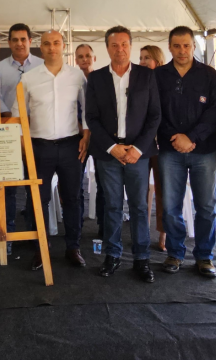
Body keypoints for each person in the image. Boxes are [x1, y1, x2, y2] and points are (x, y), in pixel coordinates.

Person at [85, 26, 160, 283]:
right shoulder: (95, 79)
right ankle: (112, 255)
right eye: (115, 45)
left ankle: (141, 258)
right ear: (107, 48)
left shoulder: (147, 77)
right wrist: (111, 147)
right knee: (113, 206)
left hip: (138, 153)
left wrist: (137, 148)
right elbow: (91, 118)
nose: (120, 49)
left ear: (131, 46)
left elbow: (154, 116)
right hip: (109, 153)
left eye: (125, 44)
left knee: (140, 207)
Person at [14, 30, 90, 270]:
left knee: (73, 198)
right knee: (38, 200)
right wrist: (23, 146)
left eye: (56, 43)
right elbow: (19, 115)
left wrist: (86, 134)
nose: (52, 47)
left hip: (71, 145)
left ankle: (73, 247)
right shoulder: (29, 77)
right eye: (46, 43)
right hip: (39, 147)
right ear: (40, 47)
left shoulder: (76, 75)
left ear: (63, 45)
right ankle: (40, 249)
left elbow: (87, 108)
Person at [154, 27, 216, 278]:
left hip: (203, 149)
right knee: (171, 206)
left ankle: (205, 256)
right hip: (170, 150)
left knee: (205, 206)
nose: (182, 51)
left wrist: (192, 138)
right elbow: (154, 112)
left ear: (194, 46)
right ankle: (175, 252)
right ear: (169, 47)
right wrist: (176, 138)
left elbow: (215, 112)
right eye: (176, 46)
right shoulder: (158, 76)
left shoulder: (210, 75)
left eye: (186, 45)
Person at [0, 23, 44, 250]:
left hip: (37, 133)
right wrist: (11, 117)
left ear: (30, 41)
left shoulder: (43, 66)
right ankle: (10, 234)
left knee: (34, 186)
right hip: (9, 132)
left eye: (23, 39)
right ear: (9, 42)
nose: (19, 43)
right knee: (10, 186)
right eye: (14, 39)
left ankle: (36, 233)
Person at [139, 45, 166, 251]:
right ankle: (142, 231)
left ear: (157, 59)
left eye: (147, 57)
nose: (143, 61)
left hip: (163, 144)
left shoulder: (165, 81)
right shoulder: (138, 81)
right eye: (140, 58)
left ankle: (163, 235)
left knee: (163, 191)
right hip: (142, 144)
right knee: (140, 190)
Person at [75, 43, 103, 237]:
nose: (84, 59)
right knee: (77, 183)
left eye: (88, 56)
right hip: (78, 138)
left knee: (104, 184)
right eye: (80, 57)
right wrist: (82, 129)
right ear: (76, 60)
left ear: (94, 58)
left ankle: (103, 226)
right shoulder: (72, 81)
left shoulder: (103, 79)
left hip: (101, 138)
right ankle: (76, 227)